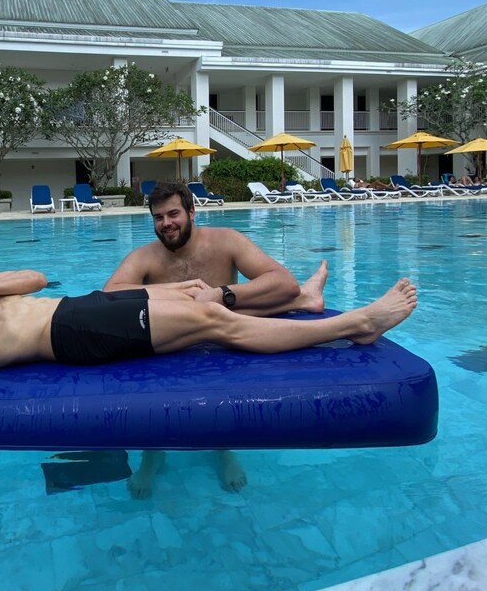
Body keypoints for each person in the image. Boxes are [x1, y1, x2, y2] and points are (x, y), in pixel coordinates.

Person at [0, 216, 418, 449]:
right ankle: (358, 324)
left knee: (195, 292)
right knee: (213, 321)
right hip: (70, 337)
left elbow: (38, 278)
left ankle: (303, 299)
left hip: (76, 308)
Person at [104, 181, 328, 496]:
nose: (166, 223)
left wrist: (221, 294)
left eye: (173, 214)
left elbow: (283, 282)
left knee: (222, 336)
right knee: (149, 398)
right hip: (169, 348)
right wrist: (172, 295)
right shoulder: (145, 257)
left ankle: (223, 450)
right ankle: (151, 456)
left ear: (192, 212)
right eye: (158, 217)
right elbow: (107, 296)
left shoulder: (226, 241)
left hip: (223, 341)